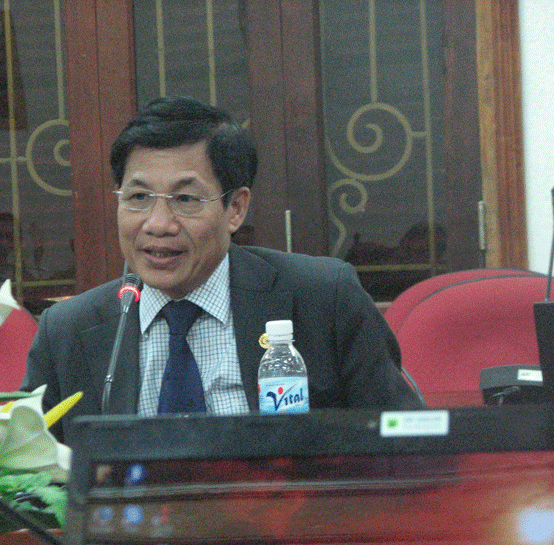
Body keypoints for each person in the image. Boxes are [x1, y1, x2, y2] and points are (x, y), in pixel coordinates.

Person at [21, 96, 421, 443]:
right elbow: (25, 475)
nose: (158, 224)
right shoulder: (68, 331)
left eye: (185, 199)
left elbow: (407, 441)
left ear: (236, 209)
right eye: (138, 197)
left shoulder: (323, 298)